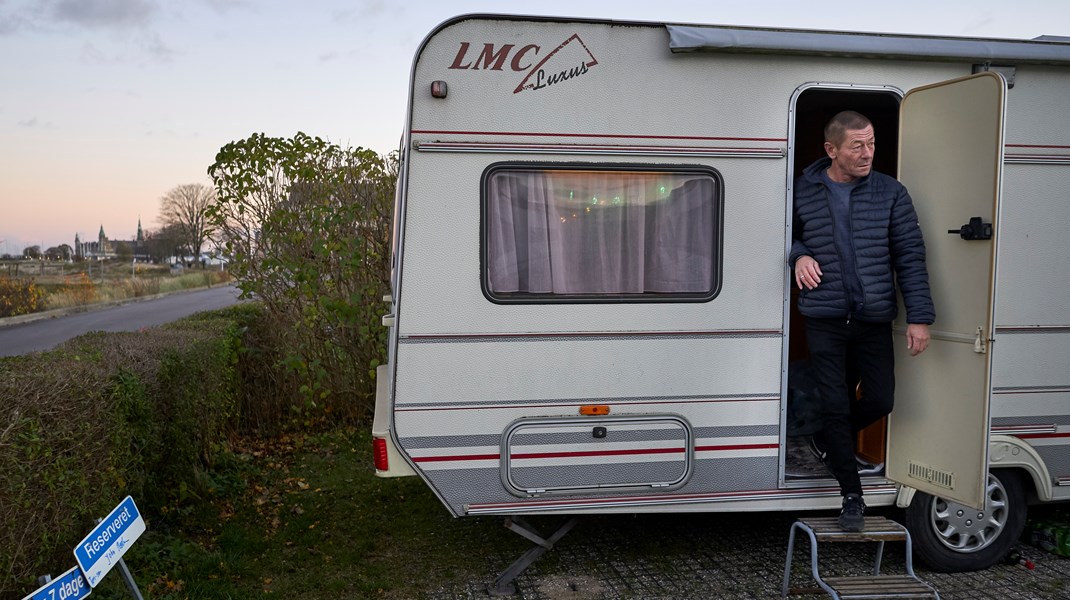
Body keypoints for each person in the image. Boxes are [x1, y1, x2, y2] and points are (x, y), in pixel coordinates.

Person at [789, 110, 935, 531]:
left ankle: (825, 439)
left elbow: (910, 256)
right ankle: (852, 496)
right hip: (825, 317)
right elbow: (782, 231)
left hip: (872, 318)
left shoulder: (890, 192)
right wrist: (798, 255)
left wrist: (919, 318)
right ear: (831, 150)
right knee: (835, 403)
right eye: (858, 146)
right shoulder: (803, 190)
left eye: (871, 143)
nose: (868, 153)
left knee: (880, 400)